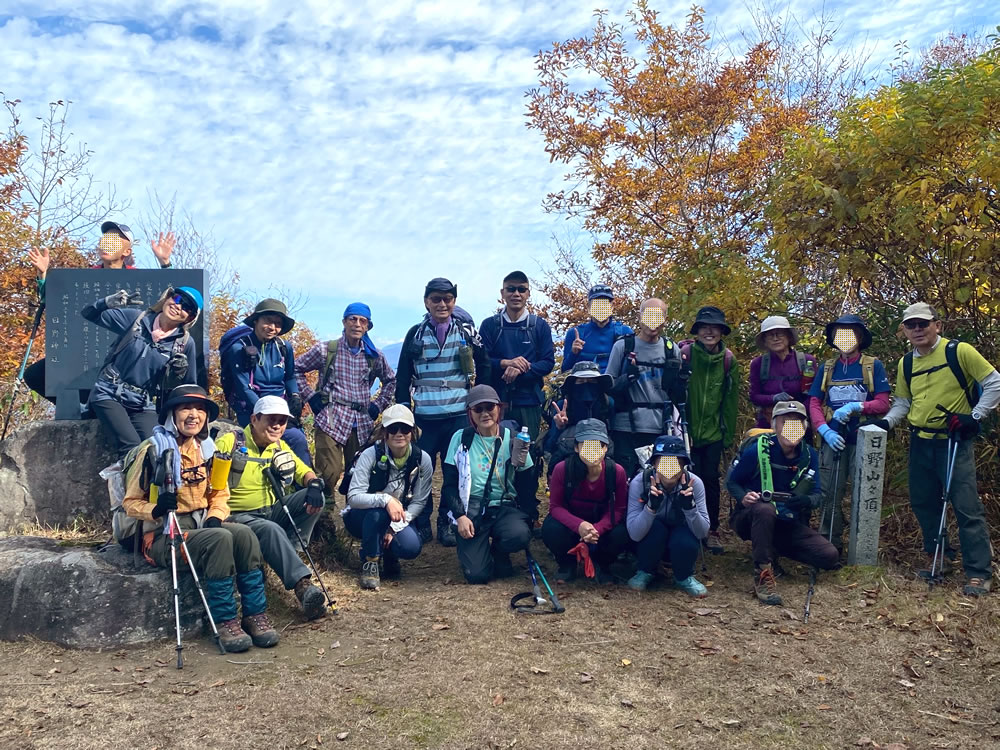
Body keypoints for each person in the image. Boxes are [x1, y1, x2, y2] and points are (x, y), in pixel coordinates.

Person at [123, 385, 278, 652]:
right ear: (172, 414)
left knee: (245, 535)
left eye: (200, 409)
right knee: (219, 539)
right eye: (186, 408)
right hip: (163, 535)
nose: (194, 415)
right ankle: (225, 621)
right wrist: (156, 509)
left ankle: (255, 615)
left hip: (201, 526)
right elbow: (129, 503)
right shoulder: (152, 451)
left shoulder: (207, 450)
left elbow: (220, 492)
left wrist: (216, 516)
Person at [876, 303, 999, 597]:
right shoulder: (906, 363)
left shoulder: (959, 352)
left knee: (966, 506)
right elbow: (903, 402)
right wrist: (886, 423)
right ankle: (939, 559)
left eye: (923, 323)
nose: (918, 329)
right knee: (923, 502)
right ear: (905, 330)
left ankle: (978, 572)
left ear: (937, 325)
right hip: (920, 440)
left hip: (953, 440)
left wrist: (975, 416)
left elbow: (994, 382)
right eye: (911, 325)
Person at [24, 222, 176, 406]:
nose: (107, 244)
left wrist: (165, 264)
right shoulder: (84, 278)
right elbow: (56, 302)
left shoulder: (138, 278)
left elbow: (172, 300)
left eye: (114, 240)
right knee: (34, 375)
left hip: (127, 357)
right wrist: (43, 275)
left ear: (126, 251)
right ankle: (79, 410)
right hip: (86, 351)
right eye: (105, 239)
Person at [214, 396, 329, 620]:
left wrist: (314, 485)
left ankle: (290, 551)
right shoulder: (230, 442)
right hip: (236, 517)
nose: (277, 425)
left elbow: (304, 472)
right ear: (254, 419)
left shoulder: (279, 446)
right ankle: (303, 587)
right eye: (271, 419)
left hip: (272, 511)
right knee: (270, 529)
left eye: (282, 421)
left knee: (315, 498)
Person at [395, 278, 490, 547]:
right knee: (421, 471)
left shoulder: (467, 332)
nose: (442, 304)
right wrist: (404, 412)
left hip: (459, 415)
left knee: (454, 471)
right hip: (424, 417)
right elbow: (403, 375)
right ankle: (422, 523)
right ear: (426, 302)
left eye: (447, 299)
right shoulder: (415, 333)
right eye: (436, 299)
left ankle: (448, 521)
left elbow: (485, 364)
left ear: (454, 301)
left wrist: (479, 401)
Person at [726, 401, 838, 606]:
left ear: (804, 428)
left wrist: (804, 501)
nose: (791, 429)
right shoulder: (757, 450)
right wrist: (744, 497)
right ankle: (763, 572)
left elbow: (817, 495)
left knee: (829, 556)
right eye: (786, 423)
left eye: (797, 424)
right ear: (775, 425)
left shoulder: (809, 455)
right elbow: (732, 482)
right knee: (765, 510)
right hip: (751, 518)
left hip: (787, 520)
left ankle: (771, 547)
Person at [82, 285, 200, 459]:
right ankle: (125, 478)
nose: (178, 306)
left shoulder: (185, 343)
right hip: (108, 392)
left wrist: (177, 375)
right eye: (177, 299)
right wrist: (106, 303)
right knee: (132, 447)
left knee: (158, 450)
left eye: (187, 308)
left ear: (190, 318)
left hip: (142, 403)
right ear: (167, 298)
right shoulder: (136, 319)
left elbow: (188, 387)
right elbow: (88, 314)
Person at [295, 302, 396, 503]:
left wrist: (378, 405)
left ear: (367, 326)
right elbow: (296, 369)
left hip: (361, 422)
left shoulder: (374, 356)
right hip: (330, 418)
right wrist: (311, 397)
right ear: (344, 322)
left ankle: (355, 514)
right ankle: (323, 516)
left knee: (358, 473)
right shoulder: (326, 350)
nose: (357, 324)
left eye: (362, 321)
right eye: (353, 319)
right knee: (328, 472)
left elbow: (391, 381)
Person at [807, 314, 891, 553]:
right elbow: (814, 402)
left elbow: (883, 403)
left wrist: (857, 406)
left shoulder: (872, 366)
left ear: (860, 337)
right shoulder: (827, 368)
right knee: (828, 493)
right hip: (833, 439)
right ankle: (829, 546)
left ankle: (861, 548)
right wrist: (824, 430)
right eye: (839, 334)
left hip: (863, 438)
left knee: (863, 492)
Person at [479, 271, 554, 524]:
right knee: (495, 454)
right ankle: (496, 506)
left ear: (528, 293)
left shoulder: (539, 326)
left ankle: (529, 512)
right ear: (502, 293)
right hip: (496, 403)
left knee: (527, 458)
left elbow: (548, 362)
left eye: (521, 289)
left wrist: (522, 368)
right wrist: (505, 363)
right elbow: (483, 361)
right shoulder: (490, 326)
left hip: (529, 403)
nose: (516, 294)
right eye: (511, 289)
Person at [442, 385, 535, 584]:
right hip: (472, 507)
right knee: (477, 575)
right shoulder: (461, 438)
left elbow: (528, 481)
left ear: (499, 408)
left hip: (504, 505)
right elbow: (449, 484)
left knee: (518, 535)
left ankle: (499, 552)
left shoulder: (514, 439)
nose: (485, 413)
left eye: (489, 407)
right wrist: (460, 516)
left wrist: (528, 516)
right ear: (470, 413)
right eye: (478, 409)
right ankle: (477, 553)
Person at [344, 404, 432, 590]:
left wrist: (394, 528)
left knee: (411, 547)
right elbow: (353, 497)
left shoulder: (422, 459)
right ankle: (370, 562)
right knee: (379, 514)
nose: (399, 434)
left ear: (412, 432)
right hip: (361, 516)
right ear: (384, 432)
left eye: (405, 429)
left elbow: (419, 501)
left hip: (396, 518)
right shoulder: (369, 455)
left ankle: (389, 555)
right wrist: (386, 500)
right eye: (393, 429)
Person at [219, 298, 311, 465]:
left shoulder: (284, 347)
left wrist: (295, 396)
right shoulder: (239, 349)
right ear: (256, 320)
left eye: (278, 323)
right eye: (268, 321)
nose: (272, 327)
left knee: (298, 440)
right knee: (276, 438)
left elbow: (290, 376)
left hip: (279, 406)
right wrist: (267, 412)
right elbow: (243, 388)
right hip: (250, 408)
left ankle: (305, 480)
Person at [606, 298, 686, 478]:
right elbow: (608, 386)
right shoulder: (623, 347)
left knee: (659, 481)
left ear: (665, 319)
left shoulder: (671, 349)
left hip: (661, 429)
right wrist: (627, 379)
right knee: (624, 480)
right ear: (640, 316)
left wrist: (681, 381)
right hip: (625, 429)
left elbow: (678, 397)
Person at [542, 419, 628, 584]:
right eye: (586, 445)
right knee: (551, 528)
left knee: (621, 533)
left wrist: (598, 529)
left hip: (600, 528)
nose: (592, 451)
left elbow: (619, 509)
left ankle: (603, 564)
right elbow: (556, 507)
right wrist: (579, 526)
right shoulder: (562, 469)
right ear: (576, 447)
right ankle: (566, 565)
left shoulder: (616, 472)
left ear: (605, 448)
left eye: (598, 446)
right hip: (571, 525)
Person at [684, 305, 739, 554]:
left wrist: (727, 435)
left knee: (710, 481)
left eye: (714, 327)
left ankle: (711, 530)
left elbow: (730, 400)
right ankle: (688, 529)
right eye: (704, 327)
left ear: (721, 331)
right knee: (685, 480)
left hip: (714, 433)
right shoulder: (686, 355)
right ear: (697, 331)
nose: (709, 332)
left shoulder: (728, 361)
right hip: (686, 433)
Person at [625, 435, 709, 596]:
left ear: (684, 465)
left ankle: (684, 576)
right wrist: (650, 508)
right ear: (654, 464)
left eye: (675, 463)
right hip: (652, 536)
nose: (669, 469)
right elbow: (634, 533)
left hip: (680, 533)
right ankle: (645, 571)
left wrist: (690, 508)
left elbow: (702, 533)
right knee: (656, 530)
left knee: (685, 539)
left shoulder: (695, 483)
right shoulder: (640, 482)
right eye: (664, 463)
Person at [543, 361, 615, 470]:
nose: (586, 385)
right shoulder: (563, 406)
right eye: (581, 381)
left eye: (592, 381)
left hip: (601, 462)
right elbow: (550, 448)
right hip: (569, 462)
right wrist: (559, 427)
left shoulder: (607, 403)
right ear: (573, 384)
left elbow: (614, 435)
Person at [749, 316, 817, 429]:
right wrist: (773, 398)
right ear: (765, 341)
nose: (775, 338)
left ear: (788, 336)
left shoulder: (806, 361)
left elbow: (815, 395)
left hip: (799, 422)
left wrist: (795, 411)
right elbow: (754, 396)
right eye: (770, 335)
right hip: (768, 425)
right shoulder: (759, 364)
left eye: (780, 334)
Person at [560, 283, 633, 374]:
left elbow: (635, 368)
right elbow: (565, 370)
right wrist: (573, 353)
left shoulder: (625, 332)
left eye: (605, 304)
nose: (601, 308)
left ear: (612, 306)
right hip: (585, 381)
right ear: (589, 307)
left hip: (615, 381)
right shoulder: (575, 334)